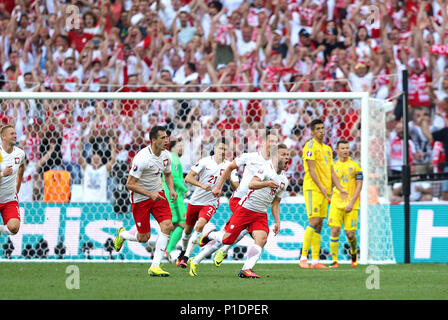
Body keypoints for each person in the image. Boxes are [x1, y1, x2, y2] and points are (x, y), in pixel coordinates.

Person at [193, 144, 290, 278]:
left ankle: (246, 269)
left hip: (260, 213)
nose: (287, 158)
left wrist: (278, 222)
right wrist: (266, 183)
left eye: (288, 155)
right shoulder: (266, 169)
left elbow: (276, 203)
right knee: (227, 240)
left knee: (261, 239)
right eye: (283, 155)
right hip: (245, 209)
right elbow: (252, 184)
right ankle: (211, 235)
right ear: (275, 156)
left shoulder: (284, 180)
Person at [114, 126, 177, 277]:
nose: (166, 140)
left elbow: (167, 175)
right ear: (154, 140)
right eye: (163, 138)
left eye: (167, 137)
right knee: (144, 237)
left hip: (158, 195)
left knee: (167, 226)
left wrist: (172, 190)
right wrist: (149, 194)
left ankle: (155, 266)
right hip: (140, 198)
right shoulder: (142, 158)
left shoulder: (166, 156)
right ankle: (122, 234)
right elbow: (129, 184)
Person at [210, 130, 279, 267]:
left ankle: (222, 246)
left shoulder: (274, 164)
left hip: (254, 203)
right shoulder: (250, 157)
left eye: (276, 142)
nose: (273, 144)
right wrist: (218, 187)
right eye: (271, 141)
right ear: (264, 142)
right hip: (239, 199)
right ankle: (219, 245)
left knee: (243, 229)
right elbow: (229, 167)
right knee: (244, 228)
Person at [176, 138, 239, 268]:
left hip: (211, 203)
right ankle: (183, 252)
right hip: (195, 201)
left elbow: (236, 187)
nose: (222, 151)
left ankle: (186, 258)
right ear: (215, 149)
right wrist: (202, 186)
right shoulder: (205, 161)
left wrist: (230, 178)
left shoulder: (229, 166)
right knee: (187, 232)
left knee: (199, 226)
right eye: (220, 148)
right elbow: (188, 178)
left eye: (225, 149)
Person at [299, 119, 347, 269]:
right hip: (313, 189)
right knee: (313, 221)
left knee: (319, 224)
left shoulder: (327, 148)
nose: (321, 131)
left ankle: (315, 261)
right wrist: (322, 188)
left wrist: (339, 188)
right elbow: (311, 170)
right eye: (318, 129)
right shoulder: (310, 146)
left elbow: (331, 171)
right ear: (312, 132)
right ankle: (303, 258)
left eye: (322, 128)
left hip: (325, 190)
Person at [327, 140, 363, 268]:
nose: (345, 150)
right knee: (334, 230)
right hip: (336, 203)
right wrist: (328, 195)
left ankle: (353, 252)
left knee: (350, 234)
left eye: (347, 148)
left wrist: (352, 202)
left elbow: (359, 185)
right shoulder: (333, 166)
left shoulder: (355, 166)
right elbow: (329, 183)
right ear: (337, 150)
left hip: (351, 204)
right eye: (342, 148)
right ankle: (334, 261)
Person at [162, 139, 189, 260]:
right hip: (175, 197)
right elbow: (174, 178)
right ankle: (168, 251)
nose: (182, 148)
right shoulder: (174, 159)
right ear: (172, 148)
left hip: (172, 196)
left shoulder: (172, 159)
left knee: (172, 225)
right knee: (183, 224)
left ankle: (164, 250)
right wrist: (185, 189)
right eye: (180, 145)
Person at [0, 125, 26, 237]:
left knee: (14, 228)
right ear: (3, 137)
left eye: (15, 133)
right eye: (12, 134)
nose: (15, 135)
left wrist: (18, 185)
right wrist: (2, 174)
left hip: (9, 199)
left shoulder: (20, 154)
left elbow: (21, 167)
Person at [78, 135, 116, 203]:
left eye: (98, 159)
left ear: (101, 161)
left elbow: (113, 160)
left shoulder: (103, 169)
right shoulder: (87, 168)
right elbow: (80, 157)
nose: (96, 160)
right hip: (87, 201)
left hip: (100, 201)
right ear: (91, 161)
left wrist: (112, 145)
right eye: (94, 159)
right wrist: (81, 143)